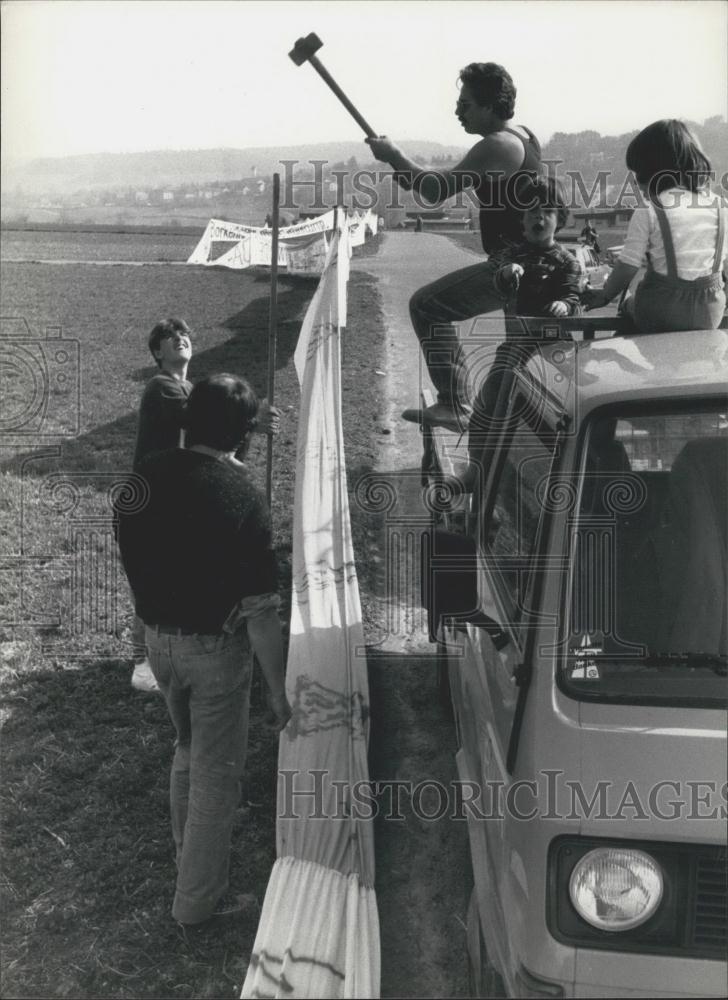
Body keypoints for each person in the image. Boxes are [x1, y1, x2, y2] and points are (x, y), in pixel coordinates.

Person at [117, 374, 291, 927]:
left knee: (188, 749)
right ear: (244, 434)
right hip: (215, 653)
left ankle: (185, 860)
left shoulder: (142, 477)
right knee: (218, 776)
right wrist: (279, 694)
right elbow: (261, 612)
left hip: (158, 643)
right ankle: (198, 902)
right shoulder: (243, 496)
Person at [366, 61, 542, 431]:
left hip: (513, 265)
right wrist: (406, 172)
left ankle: (455, 403)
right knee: (515, 359)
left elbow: (435, 190)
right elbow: (435, 187)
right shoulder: (522, 135)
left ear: (492, 106)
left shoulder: (494, 146)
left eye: (466, 104)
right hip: (529, 262)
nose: (457, 111)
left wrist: (395, 156)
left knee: (427, 307)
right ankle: (491, 425)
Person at [129, 318, 280, 693]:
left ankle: (157, 651)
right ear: (157, 353)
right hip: (157, 494)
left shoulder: (190, 388)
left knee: (166, 570)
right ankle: (141, 661)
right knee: (150, 573)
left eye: (184, 334)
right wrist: (248, 420)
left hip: (182, 491)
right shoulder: (161, 387)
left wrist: (244, 430)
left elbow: (217, 444)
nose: (180, 338)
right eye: (168, 336)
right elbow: (208, 424)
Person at [465, 175, 581, 481]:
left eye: (547, 212)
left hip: (555, 348)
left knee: (563, 413)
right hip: (516, 346)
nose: (539, 218)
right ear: (522, 219)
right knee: (487, 406)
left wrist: (565, 305)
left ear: (560, 219)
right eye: (531, 212)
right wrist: (507, 272)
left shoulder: (568, 261)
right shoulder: (511, 254)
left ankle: (568, 471)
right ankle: (474, 472)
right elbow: (496, 282)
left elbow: (573, 295)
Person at [584, 120, 727, 331]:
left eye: (638, 174)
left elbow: (627, 266)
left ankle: (619, 357)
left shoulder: (650, 210)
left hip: (660, 312)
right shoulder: (720, 206)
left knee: (627, 306)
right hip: (709, 313)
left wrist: (605, 296)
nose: (636, 183)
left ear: (652, 171)